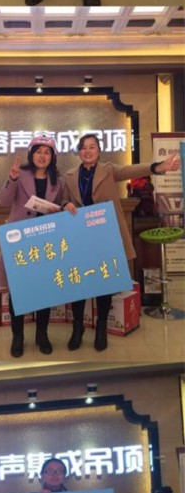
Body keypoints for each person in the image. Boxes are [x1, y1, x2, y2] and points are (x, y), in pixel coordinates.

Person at [61, 135, 180, 351]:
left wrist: (158, 166)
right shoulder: (69, 176)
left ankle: (101, 327)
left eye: (92, 147)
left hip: (104, 234)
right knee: (79, 283)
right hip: (80, 235)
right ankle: (77, 328)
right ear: (78, 151)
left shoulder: (108, 170)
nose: (88, 151)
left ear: (99, 151)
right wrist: (65, 204)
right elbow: (63, 199)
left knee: (103, 282)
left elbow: (131, 170)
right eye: (83, 148)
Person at [0, 137, 65, 358]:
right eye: (38, 151)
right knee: (18, 291)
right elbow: (4, 201)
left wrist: (61, 208)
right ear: (31, 154)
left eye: (47, 152)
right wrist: (12, 178)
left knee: (44, 291)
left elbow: (60, 207)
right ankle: (18, 336)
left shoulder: (58, 180)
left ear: (52, 157)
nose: (42, 156)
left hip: (44, 241)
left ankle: (42, 335)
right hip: (20, 241)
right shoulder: (20, 174)